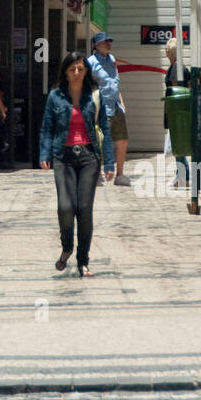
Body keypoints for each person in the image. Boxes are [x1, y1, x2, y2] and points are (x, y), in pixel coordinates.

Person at [39, 52, 102, 277]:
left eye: (81, 69)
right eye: (72, 69)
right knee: (66, 207)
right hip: (62, 157)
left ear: (86, 72)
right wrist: (44, 153)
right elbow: (47, 127)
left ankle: (83, 261)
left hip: (88, 157)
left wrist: (111, 161)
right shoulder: (55, 96)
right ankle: (67, 246)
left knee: (84, 209)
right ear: (65, 72)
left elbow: (105, 125)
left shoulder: (94, 95)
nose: (77, 73)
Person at [87, 32, 130, 186]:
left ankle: (120, 175)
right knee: (99, 140)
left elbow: (115, 82)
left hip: (116, 105)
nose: (109, 44)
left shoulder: (112, 60)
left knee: (122, 139)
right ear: (97, 45)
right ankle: (97, 174)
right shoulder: (90, 62)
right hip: (101, 106)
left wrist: (122, 102)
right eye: (106, 42)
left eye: (109, 42)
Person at [164, 40, 191, 189]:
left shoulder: (176, 68)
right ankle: (181, 176)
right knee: (177, 145)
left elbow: (175, 90)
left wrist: (173, 112)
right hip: (178, 111)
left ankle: (183, 176)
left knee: (178, 145)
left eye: (167, 49)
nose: (165, 52)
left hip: (177, 112)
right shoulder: (176, 67)